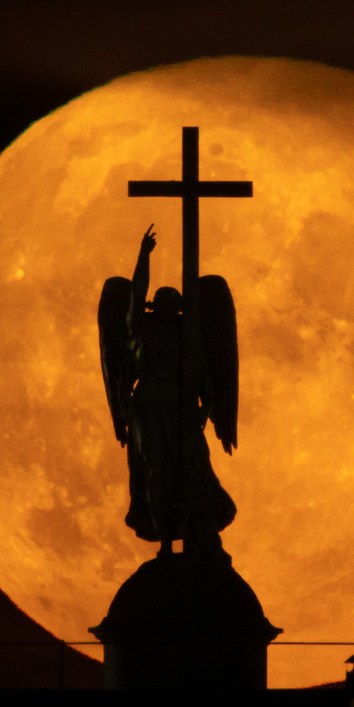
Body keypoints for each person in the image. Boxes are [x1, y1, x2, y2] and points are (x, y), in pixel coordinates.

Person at [98, 227, 237, 563]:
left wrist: (207, 411)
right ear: (154, 306)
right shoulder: (140, 332)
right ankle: (164, 545)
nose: (167, 305)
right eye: (162, 300)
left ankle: (201, 532)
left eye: (173, 302)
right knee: (157, 471)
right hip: (148, 407)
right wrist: (144, 255)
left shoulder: (188, 337)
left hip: (182, 408)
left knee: (195, 466)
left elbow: (208, 379)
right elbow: (135, 294)